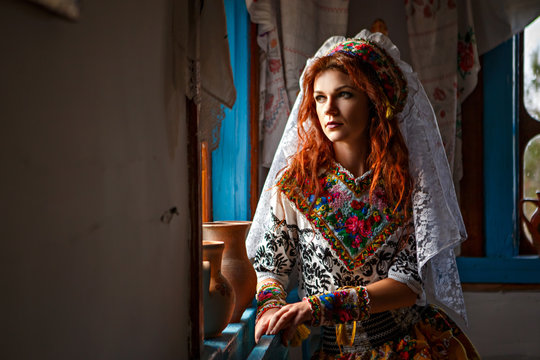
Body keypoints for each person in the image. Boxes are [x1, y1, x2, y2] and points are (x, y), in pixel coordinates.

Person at [246, 30, 480, 359]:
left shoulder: (409, 184)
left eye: (344, 95)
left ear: (373, 101)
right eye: (320, 97)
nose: (329, 109)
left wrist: (316, 307)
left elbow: (407, 283)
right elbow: (272, 266)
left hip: (407, 348)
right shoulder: (294, 185)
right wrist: (270, 307)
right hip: (330, 352)